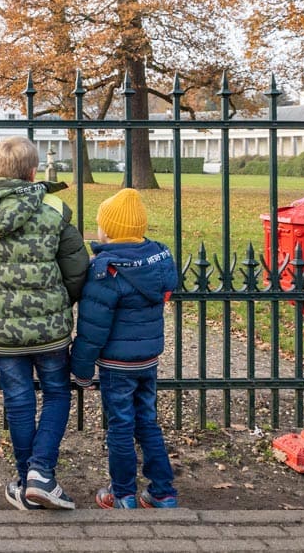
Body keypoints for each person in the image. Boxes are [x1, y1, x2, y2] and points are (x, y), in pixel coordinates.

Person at [0, 136, 88, 510]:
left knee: (18, 399)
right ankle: (41, 473)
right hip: (50, 329)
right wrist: (62, 301)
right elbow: (78, 270)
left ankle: (25, 474)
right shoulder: (54, 208)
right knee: (57, 393)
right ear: (32, 172)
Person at [71, 188, 179, 509]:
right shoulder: (158, 261)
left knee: (120, 424)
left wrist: (81, 369)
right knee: (146, 420)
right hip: (147, 360)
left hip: (116, 364)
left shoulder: (107, 270)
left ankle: (123, 493)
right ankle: (162, 491)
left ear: (110, 230)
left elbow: (92, 328)